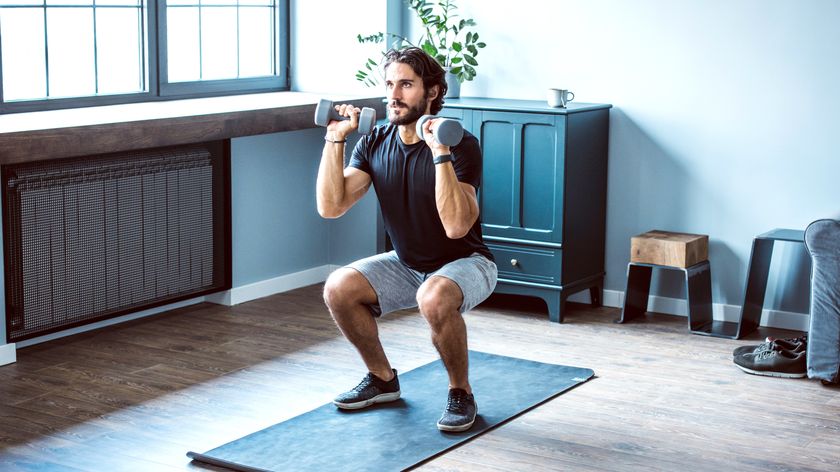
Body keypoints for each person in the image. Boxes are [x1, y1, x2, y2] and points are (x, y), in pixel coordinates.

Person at [316, 47, 497, 432]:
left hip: (468, 263)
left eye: (406, 85)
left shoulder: (460, 144)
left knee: (433, 295)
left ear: (431, 92)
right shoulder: (375, 142)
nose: (393, 95)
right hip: (407, 263)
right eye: (389, 85)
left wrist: (440, 153)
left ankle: (460, 393)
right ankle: (382, 379)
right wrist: (335, 140)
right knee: (339, 287)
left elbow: (456, 227)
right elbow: (331, 206)